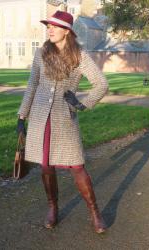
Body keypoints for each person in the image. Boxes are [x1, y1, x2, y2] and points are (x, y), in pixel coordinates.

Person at [17, 10, 109, 234]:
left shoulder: (79, 56)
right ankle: (53, 208)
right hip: (40, 118)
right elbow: (32, 85)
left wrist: (81, 103)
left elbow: (101, 84)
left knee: (77, 167)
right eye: (48, 25)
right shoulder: (40, 54)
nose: (50, 29)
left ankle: (95, 212)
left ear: (67, 31)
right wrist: (22, 116)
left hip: (64, 118)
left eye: (55, 26)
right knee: (46, 166)